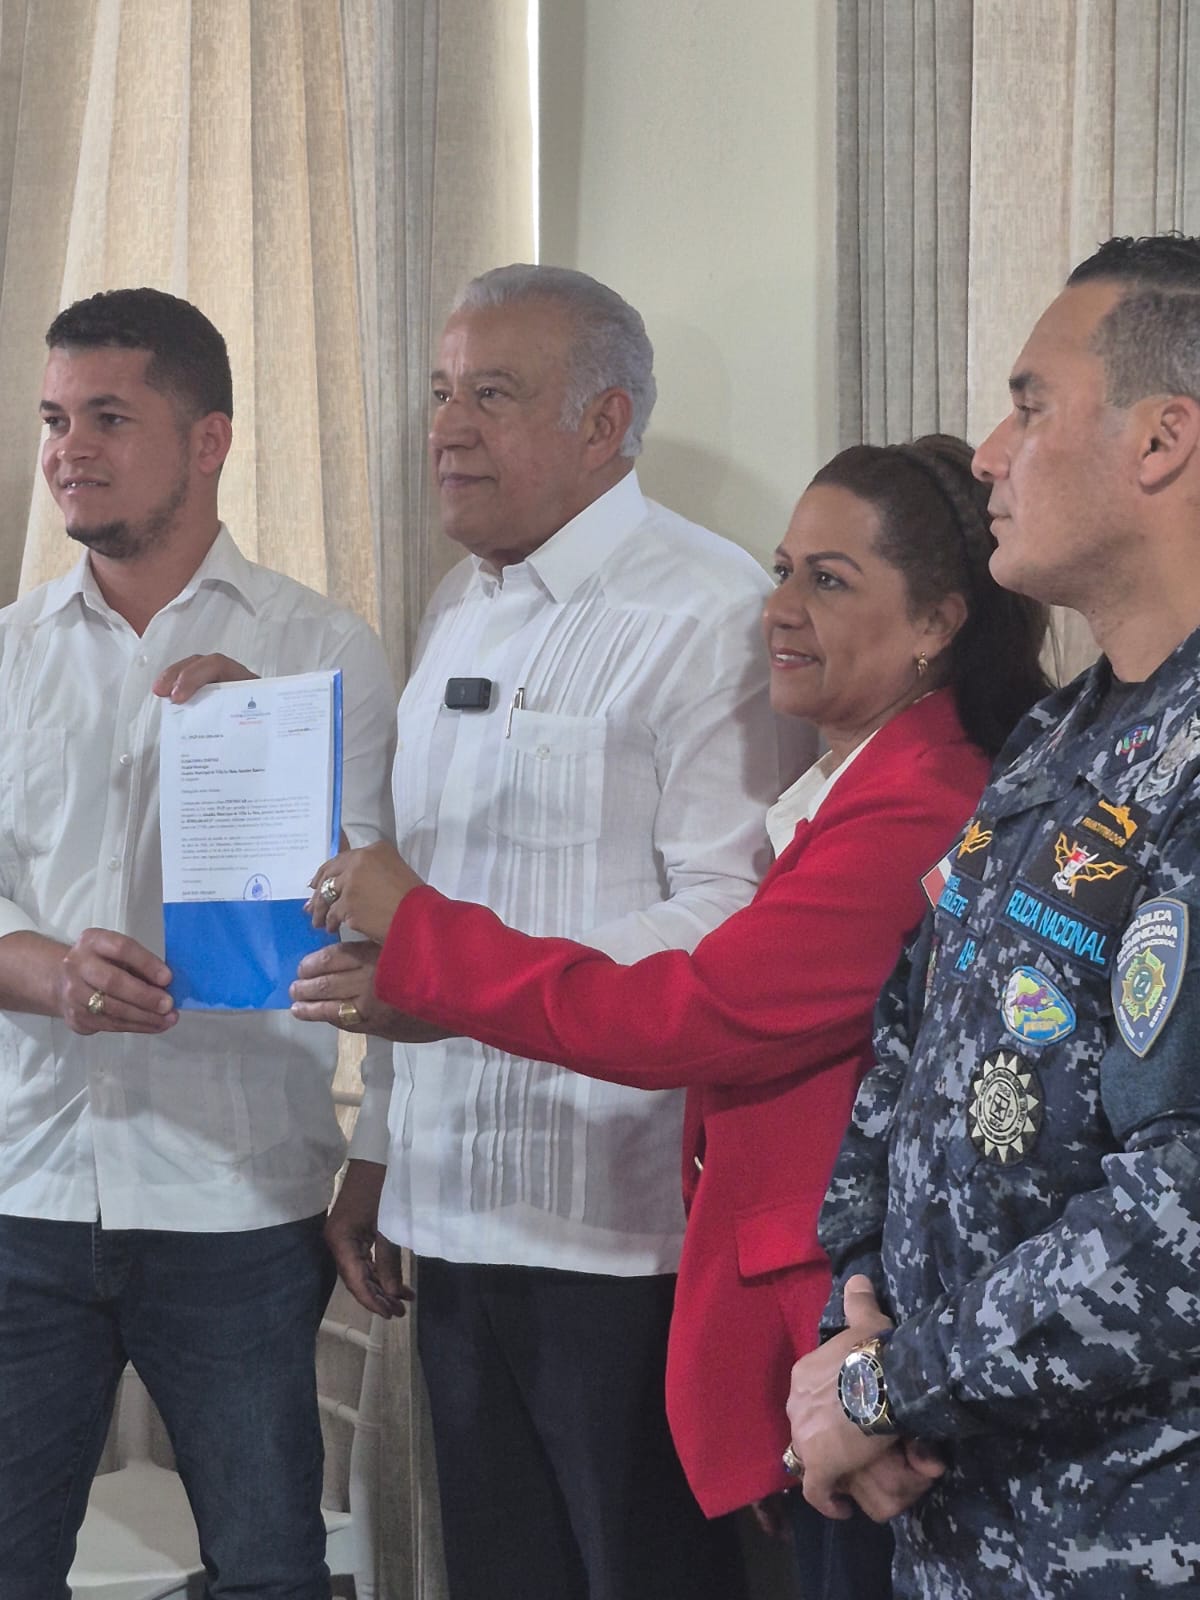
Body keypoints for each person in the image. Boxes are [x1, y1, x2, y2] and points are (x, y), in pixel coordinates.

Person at [293, 434, 1051, 1598]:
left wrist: (427, 935)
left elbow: (690, 1013)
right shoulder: (865, 779)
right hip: (620, 1241)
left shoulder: (925, 801)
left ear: (937, 623)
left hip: (810, 1300)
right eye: (785, 568)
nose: (780, 610)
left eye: (830, 581)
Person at [304, 264, 793, 1600]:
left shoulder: (712, 613)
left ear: (604, 422)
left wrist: (459, 985)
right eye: (443, 393)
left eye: (494, 395)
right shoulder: (463, 605)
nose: (447, 428)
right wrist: (378, 1153)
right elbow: (416, 899)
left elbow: (727, 922)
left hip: (622, 1234)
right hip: (454, 1217)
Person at [781, 231, 1200, 1599]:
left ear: (1161, 440)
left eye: (1029, 405)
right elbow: (912, 1040)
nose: (984, 452)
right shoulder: (1058, 740)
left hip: (1126, 1533)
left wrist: (895, 1387)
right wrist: (858, 1324)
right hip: (966, 1518)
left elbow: (1180, 1210)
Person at [0, 288, 395, 1599]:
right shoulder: (6, 656)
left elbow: (369, 918)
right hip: (27, 1193)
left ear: (210, 437)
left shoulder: (320, 650)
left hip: (236, 1196)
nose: (69, 448)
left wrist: (267, 746)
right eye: (57, 418)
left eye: (110, 416)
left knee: (271, 1567)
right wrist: (48, 973)